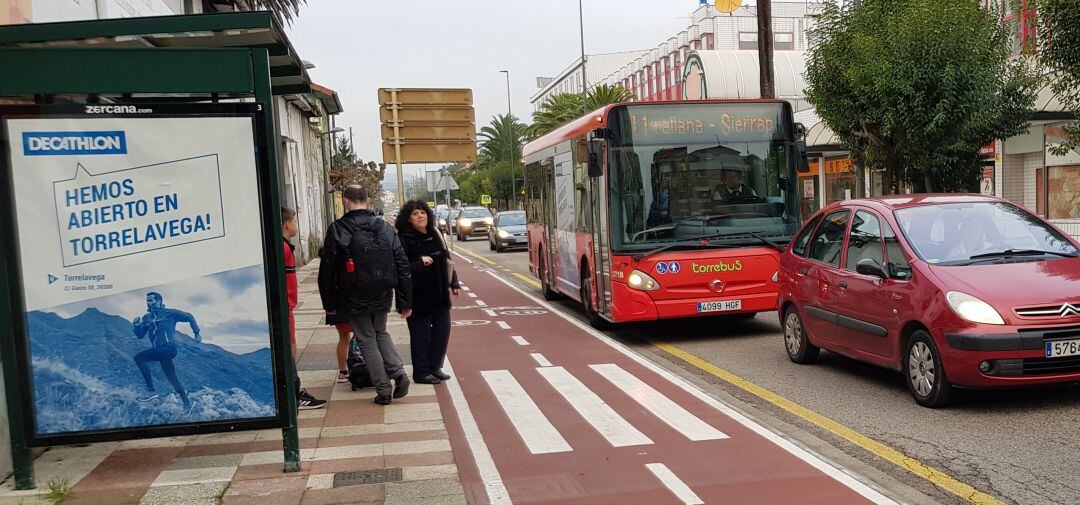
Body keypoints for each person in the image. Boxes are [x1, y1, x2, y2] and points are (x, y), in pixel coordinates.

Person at [318, 186, 413, 405]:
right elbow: (402, 263)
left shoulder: (338, 229)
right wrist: (405, 300)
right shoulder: (384, 227)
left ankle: (383, 389)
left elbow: (328, 270)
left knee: (366, 339)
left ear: (345, 201)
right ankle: (399, 373)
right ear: (368, 201)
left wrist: (329, 304)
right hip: (382, 291)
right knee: (381, 332)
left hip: (353, 293)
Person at [395, 201, 460, 385]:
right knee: (421, 337)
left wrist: (454, 282)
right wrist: (419, 263)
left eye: (422, 212)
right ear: (408, 218)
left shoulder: (435, 233)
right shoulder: (403, 239)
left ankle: (435, 367)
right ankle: (421, 372)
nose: (420, 216)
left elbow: (446, 260)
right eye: (415, 214)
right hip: (417, 296)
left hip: (439, 295)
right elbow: (400, 268)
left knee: (442, 332)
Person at [282, 207, 327, 410]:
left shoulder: (284, 246)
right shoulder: (283, 248)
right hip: (284, 308)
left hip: (287, 306)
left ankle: (293, 391)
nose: (296, 225)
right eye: (294, 221)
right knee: (289, 348)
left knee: (291, 347)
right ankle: (294, 393)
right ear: (287, 224)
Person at [131, 292, 199, 411]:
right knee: (172, 379)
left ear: (159, 301)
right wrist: (136, 325)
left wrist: (197, 333)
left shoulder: (170, 313)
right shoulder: (147, 318)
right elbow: (140, 335)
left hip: (169, 348)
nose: (148, 303)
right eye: (147, 300)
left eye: (151, 300)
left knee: (139, 358)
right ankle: (187, 404)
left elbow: (190, 316)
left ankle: (150, 391)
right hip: (161, 352)